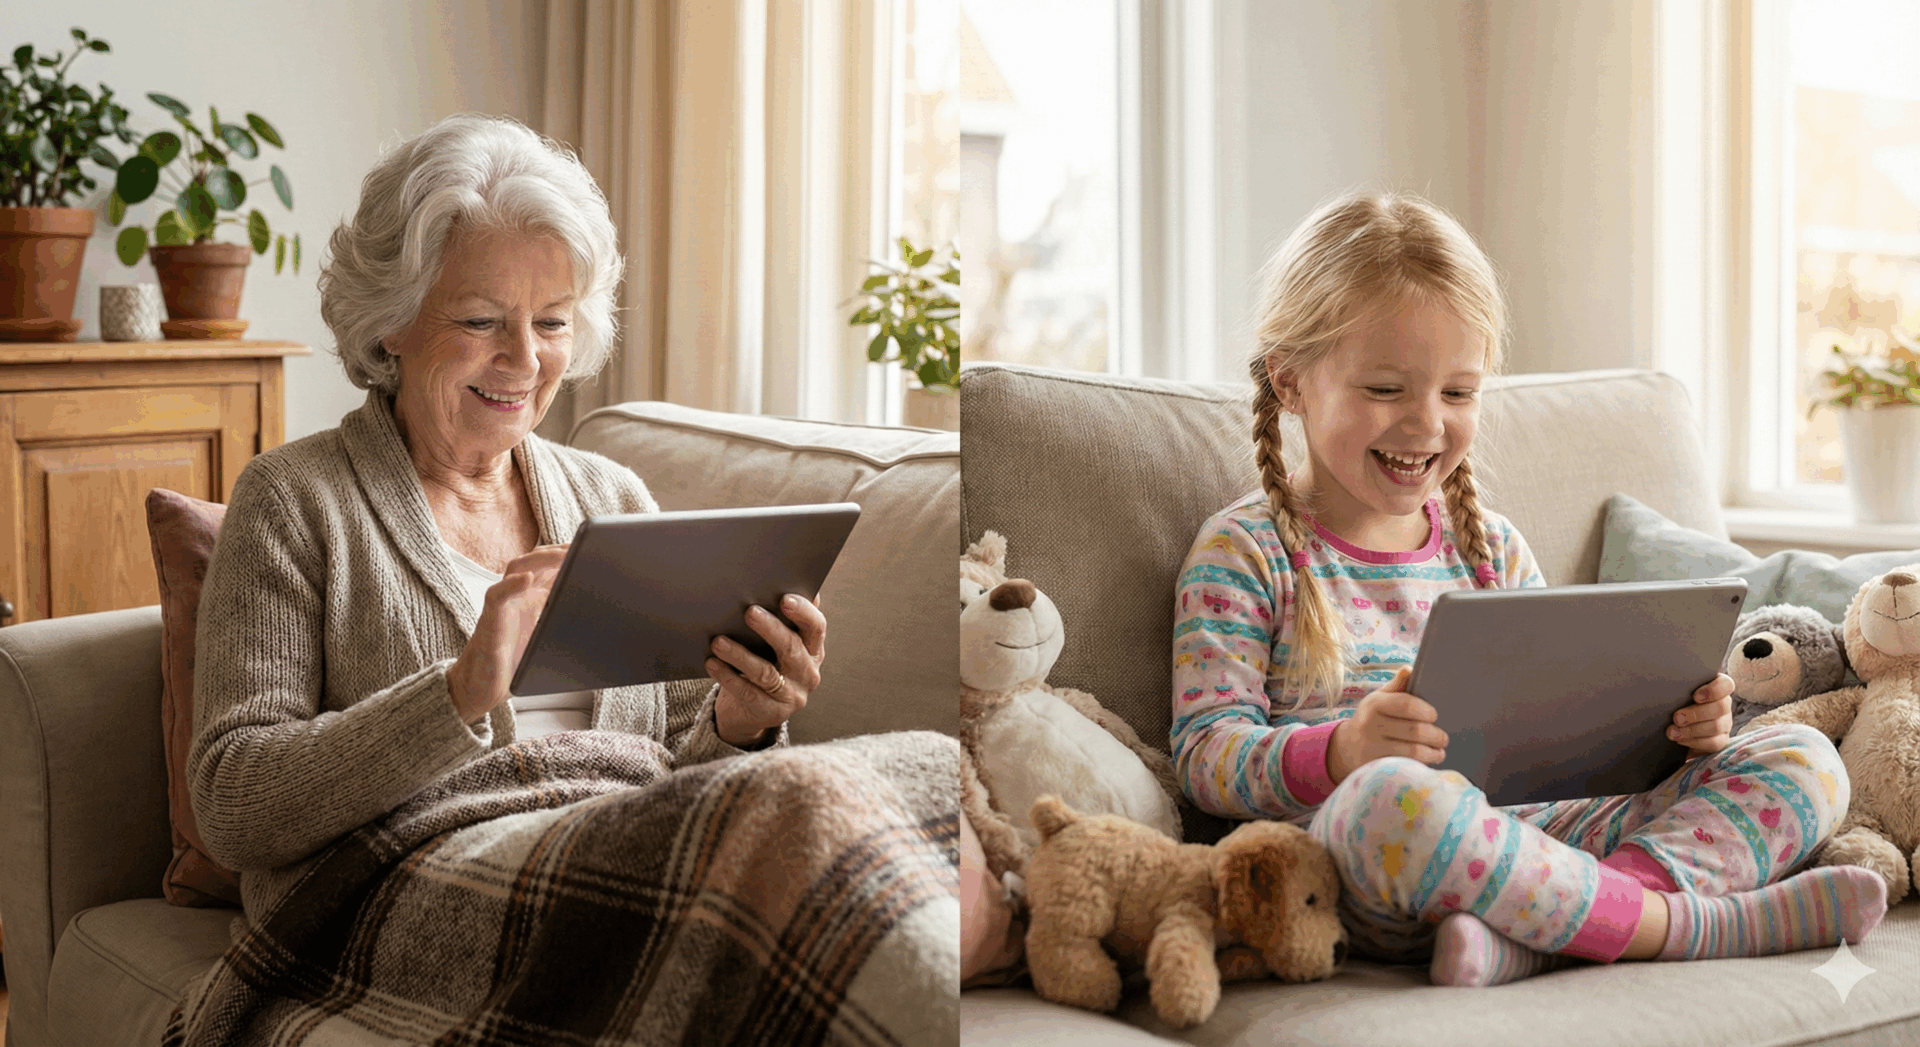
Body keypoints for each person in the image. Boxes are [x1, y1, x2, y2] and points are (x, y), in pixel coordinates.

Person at [182, 113, 954, 1043]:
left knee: (925, 769)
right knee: (800, 822)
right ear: (389, 320)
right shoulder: (295, 500)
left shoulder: (611, 494)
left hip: (614, 862)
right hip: (411, 884)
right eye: (479, 321)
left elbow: (682, 761)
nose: (524, 358)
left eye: (551, 323)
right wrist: (460, 691)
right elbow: (231, 804)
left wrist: (744, 724)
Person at [1170, 190, 1887, 987]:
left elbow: (1570, 737)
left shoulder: (1493, 549)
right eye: (1384, 389)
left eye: (1458, 392)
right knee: (1392, 799)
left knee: (1805, 756)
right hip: (1372, 864)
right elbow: (1204, 755)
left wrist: (1680, 730)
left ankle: (1554, 934)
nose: (1426, 424)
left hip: (1547, 844)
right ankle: (1688, 926)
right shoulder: (1244, 551)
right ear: (1292, 380)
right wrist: (1340, 750)